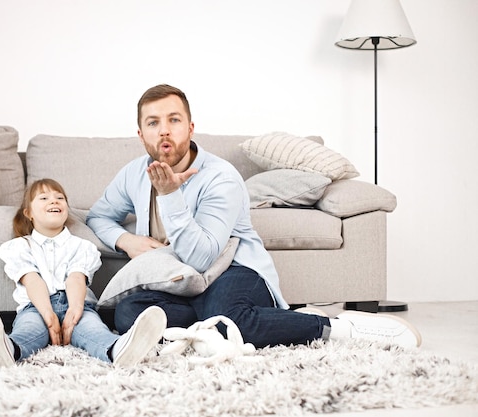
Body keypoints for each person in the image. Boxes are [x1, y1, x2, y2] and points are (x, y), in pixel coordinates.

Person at [86, 84, 421, 349]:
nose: (164, 131)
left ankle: (336, 326)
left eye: (173, 120)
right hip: (179, 283)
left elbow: (202, 257)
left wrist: (172, 196)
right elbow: (98, 217)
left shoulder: (222, 177)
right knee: (126, 313)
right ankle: (223, 327)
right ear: (140, 134)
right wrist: (126, 240)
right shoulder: (133, 173)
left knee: (226, 318)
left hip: (232, 272)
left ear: (190, 127)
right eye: (153, 123)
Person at [0, 178, 166, 368]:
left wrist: (74, 311)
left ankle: (118, 349)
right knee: (29, 329)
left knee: (93, 330)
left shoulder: (82, 246)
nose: (54, 200)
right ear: (28, 213)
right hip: (36, 306)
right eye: (44, 198)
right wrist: (48, 314)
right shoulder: (19, 246)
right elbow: (32, 280)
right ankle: (8, 349)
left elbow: (76, 278)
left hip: (78, 305)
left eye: (59, 197)